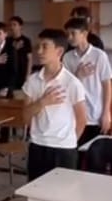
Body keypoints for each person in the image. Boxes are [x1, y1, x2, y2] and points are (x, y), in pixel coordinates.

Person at [21, 28, 86, 181]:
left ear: (59, 51)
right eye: (38, 46)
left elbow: (82, 120)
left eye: (45, 46)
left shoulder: (72, 83)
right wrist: (42, 102)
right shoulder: (32, 81)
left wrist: (68, 141)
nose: (39, 51)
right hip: (38, 145)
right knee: (35, 191)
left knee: (63, 192)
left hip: (64, 149)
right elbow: (24, 117)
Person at [63, 17, 112, 148]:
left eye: (73, 33)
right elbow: (65, 86)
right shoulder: (67, 57)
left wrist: (106, 113)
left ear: (84, 34)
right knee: (76, 152)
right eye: (67, 34)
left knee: (95, 154)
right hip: (75, 115)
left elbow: (107, 86)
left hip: (96, 115)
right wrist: (77, 75)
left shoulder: (99, 55)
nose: (69, 37)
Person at [8, 16, 34, 84]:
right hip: (10, 74)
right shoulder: (7, 41)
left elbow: (30, 59)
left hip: (23, 72)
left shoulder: (26, 41)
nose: (12, 27)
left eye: (14, 24)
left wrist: (28, 74)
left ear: (20, 26)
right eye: (10, 25)